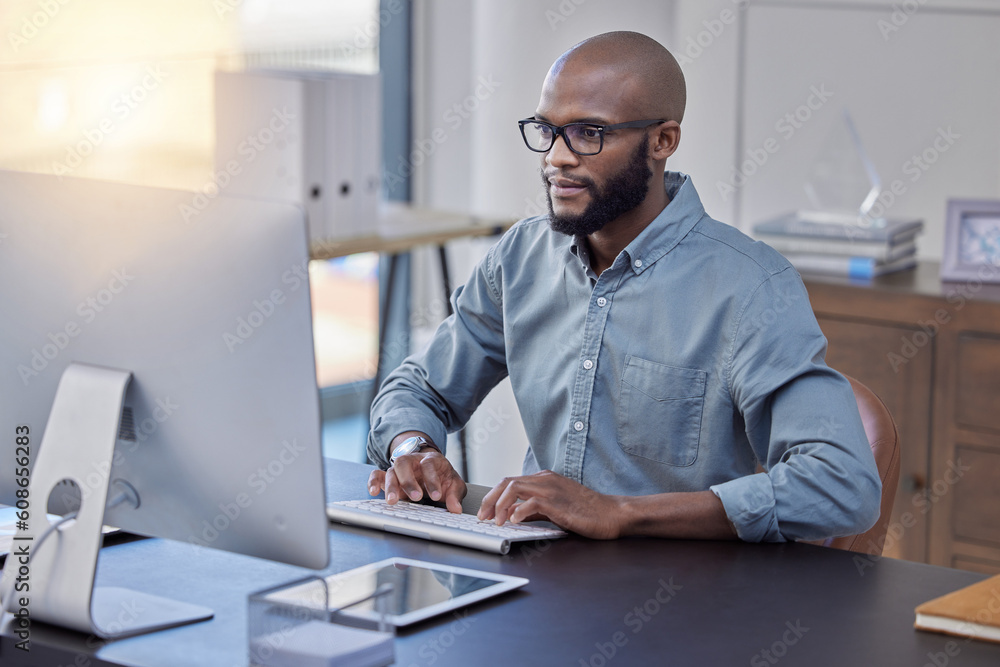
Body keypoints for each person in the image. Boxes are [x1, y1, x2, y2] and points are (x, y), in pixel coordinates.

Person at [366, 31, 881, 543]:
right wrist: (414, 449)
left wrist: (620, 512)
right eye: (548, 130)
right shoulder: (521, 258)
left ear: (662, 141)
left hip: (689, 600)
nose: (557, 158)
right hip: (539, 580)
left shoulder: (752, 288)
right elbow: (420, 388)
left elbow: (841, 484)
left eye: (589, 133)